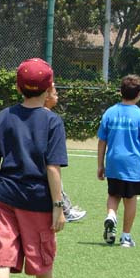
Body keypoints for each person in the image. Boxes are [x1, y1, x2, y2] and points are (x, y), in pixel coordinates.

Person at [0, 58, 69, 278]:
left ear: (18, 87)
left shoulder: (5, 116)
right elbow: (52, 168)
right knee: (42, 253)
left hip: (5, 195)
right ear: (49, 89)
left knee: (2, 253)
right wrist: (58, 206)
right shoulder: (52, 121)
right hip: (37, 199)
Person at [98, 74, 140, 248]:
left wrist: (100, 165)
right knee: (130, 198)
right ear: (139, 94)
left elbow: (102, 141)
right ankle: (125, 237)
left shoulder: (110, 112)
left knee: (113, 194)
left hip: (113, 163)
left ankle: (111, 215)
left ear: (120, 92)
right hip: (133, 165)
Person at [44, 84, 86, 223]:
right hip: (43, 164)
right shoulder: (51, 120)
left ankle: (67, 209)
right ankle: (65, 211)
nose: (57, 97)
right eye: (55, 94)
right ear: (46, 96)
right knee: (55, 179)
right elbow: (53, 164)